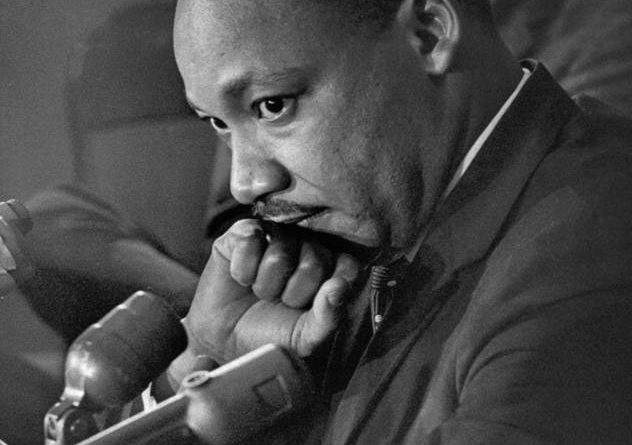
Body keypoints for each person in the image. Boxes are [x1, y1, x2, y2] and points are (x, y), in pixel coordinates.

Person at [165, 0, 632, 444]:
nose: (245, 183)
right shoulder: (354, 234)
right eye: (218, 123)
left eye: (272, 106)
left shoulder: (589, 259)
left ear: (429, 34)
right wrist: (203, 363)